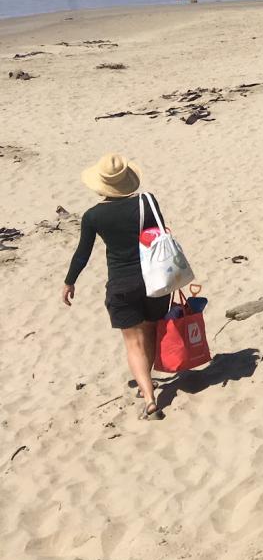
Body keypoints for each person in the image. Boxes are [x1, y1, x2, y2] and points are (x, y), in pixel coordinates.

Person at [62, 154, 172, 420]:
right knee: (149, 330)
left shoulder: (92, 216)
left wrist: (69, 281)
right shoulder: (147, 202)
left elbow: (82, 253)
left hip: (121, 283)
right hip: (154, 278)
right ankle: (148, 380)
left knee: (132, 343)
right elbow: (162, 232)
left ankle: (148, 398)